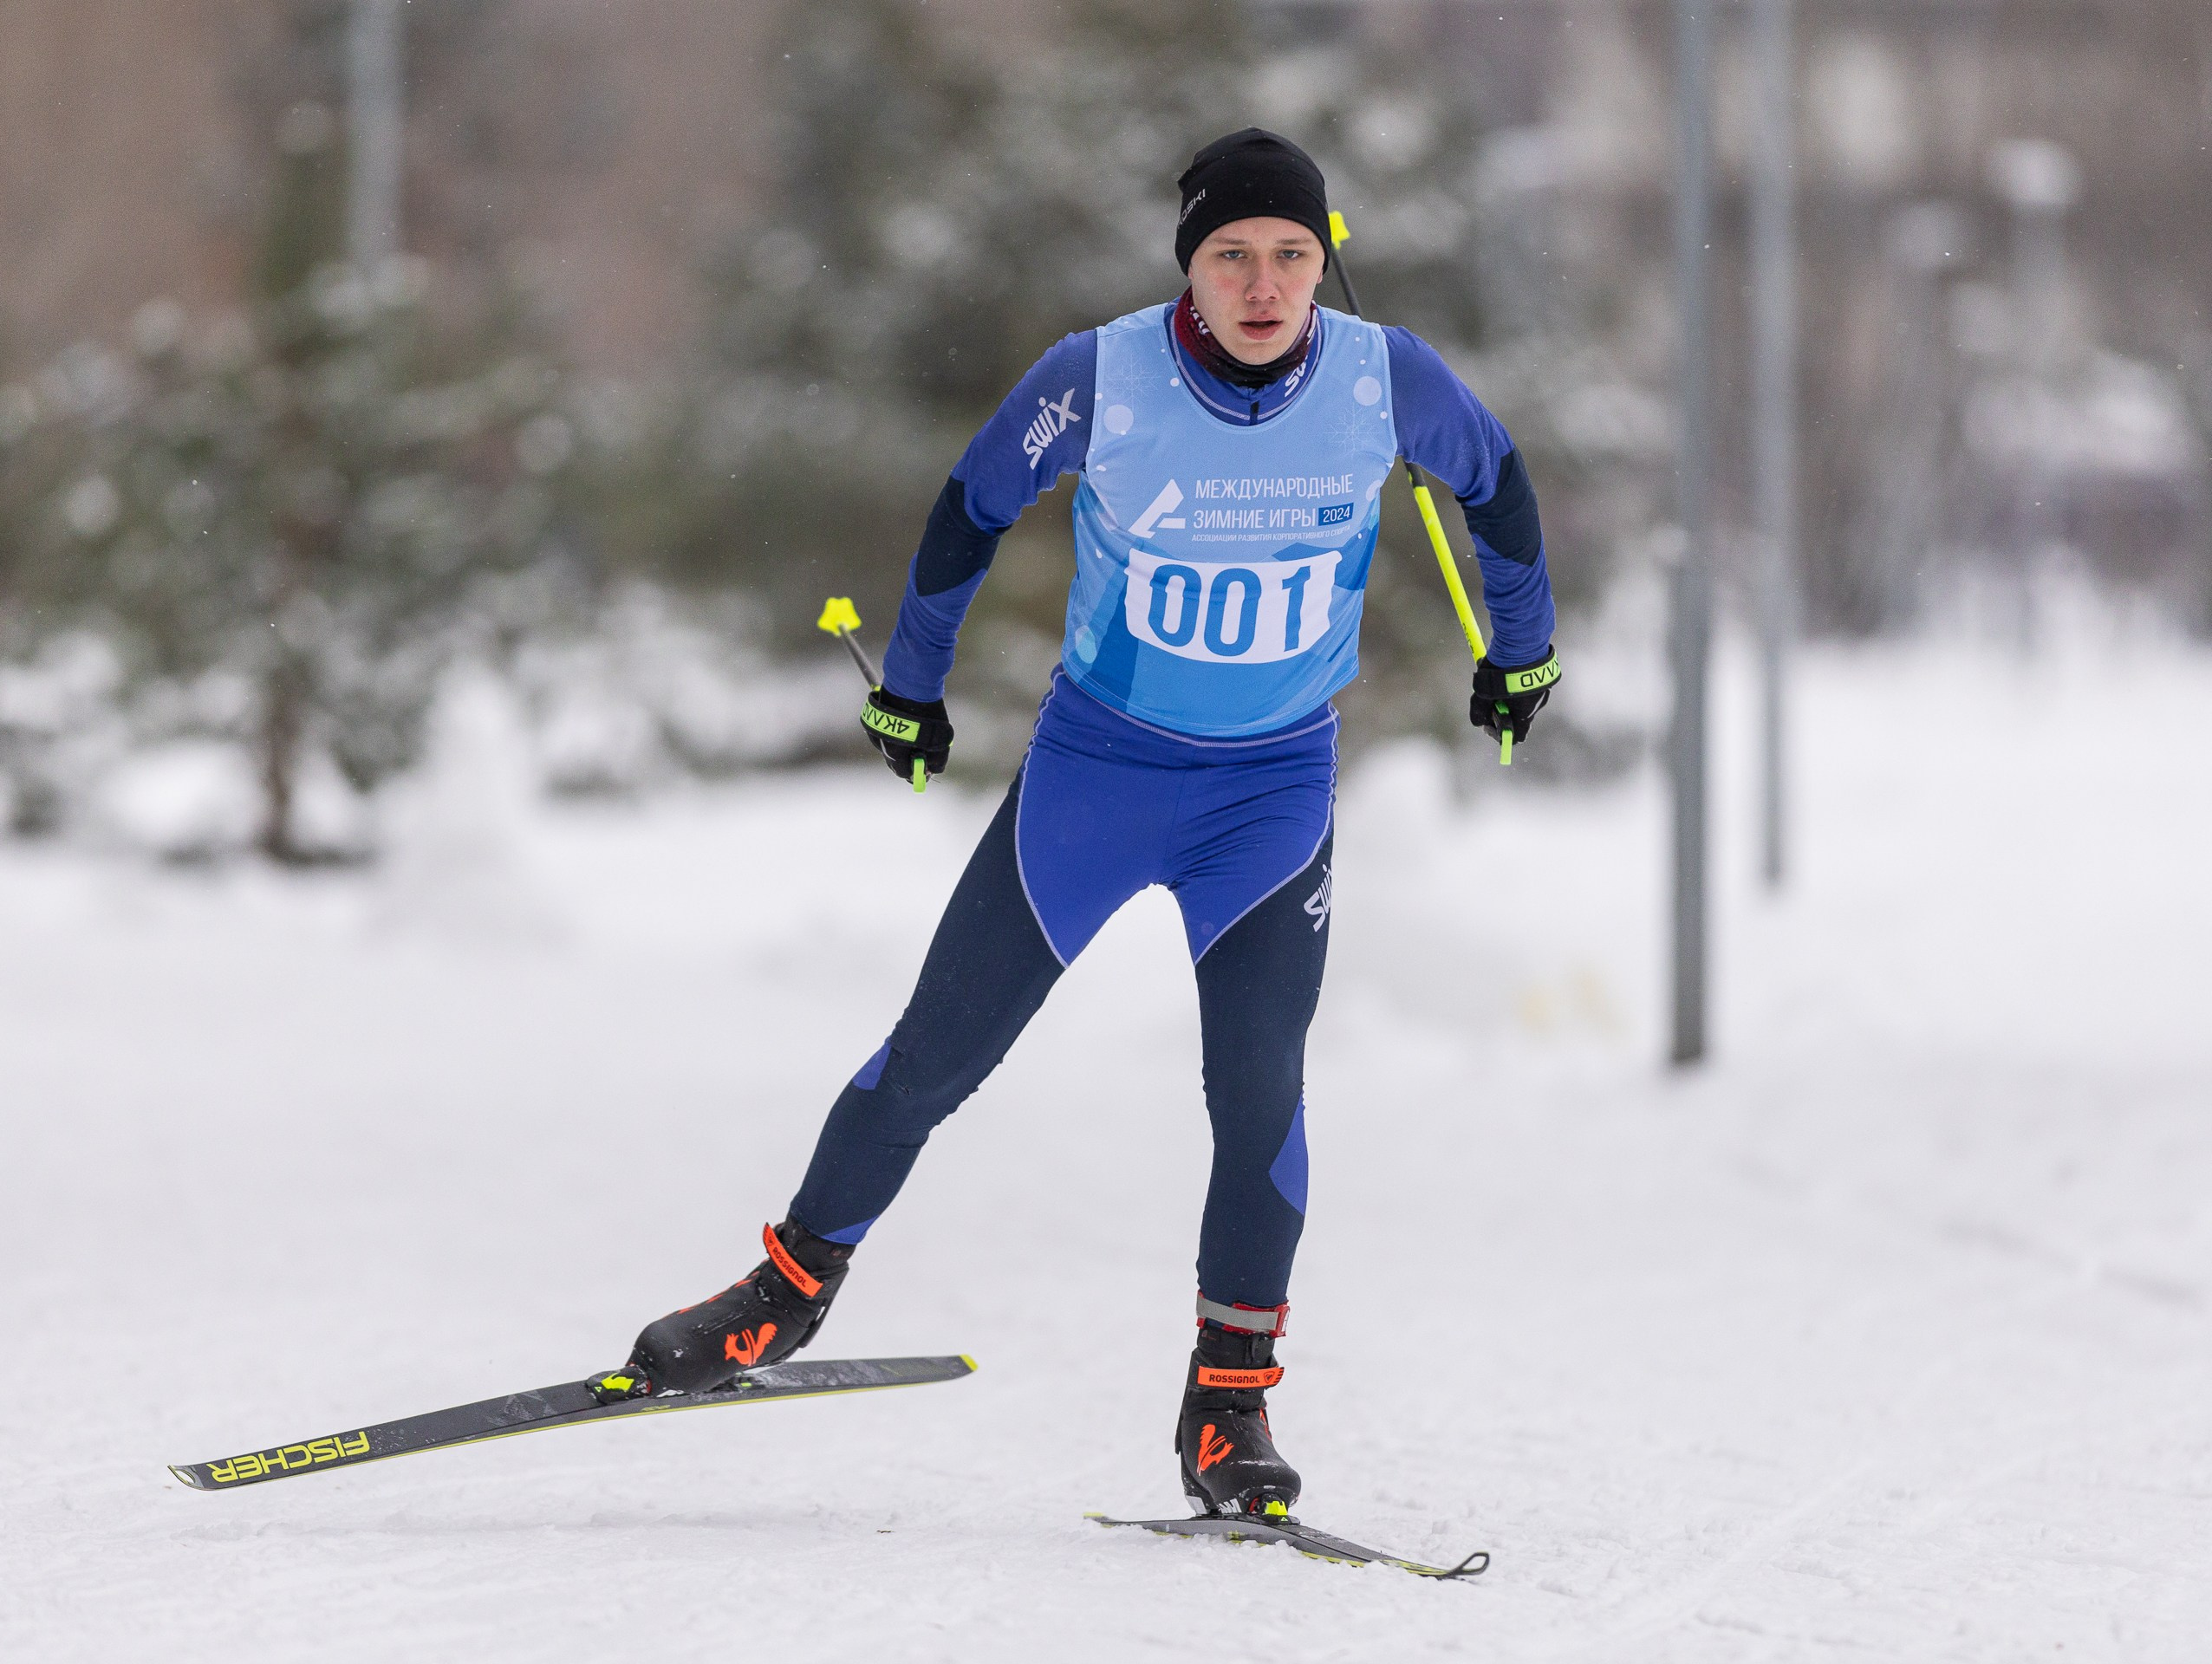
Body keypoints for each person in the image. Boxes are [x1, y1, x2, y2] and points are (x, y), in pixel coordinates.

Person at [600, 130, 1559, 1520]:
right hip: (1096, 779)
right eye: (1230, 253)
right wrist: (912, 695)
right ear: (1191, 264)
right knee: (933, 1058)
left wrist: (1520, 654)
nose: (1262, 282)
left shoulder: (1385, 378)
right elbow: (969, 510)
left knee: (1259, 1097)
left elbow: (1503, 489)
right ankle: (785, 1290)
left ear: (1320, 260)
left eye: (1291, 253)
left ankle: (1229, 1403)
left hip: (1270, 797)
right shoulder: (1096, 377)